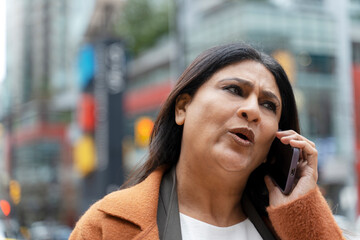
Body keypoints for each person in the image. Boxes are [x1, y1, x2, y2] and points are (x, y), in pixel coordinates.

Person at [69, 43, 345, 240]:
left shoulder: (290, 229)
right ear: (182, 108)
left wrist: (302, 213)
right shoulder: (106, 225)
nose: (252, 111)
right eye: (234, 90)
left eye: (269, 105)